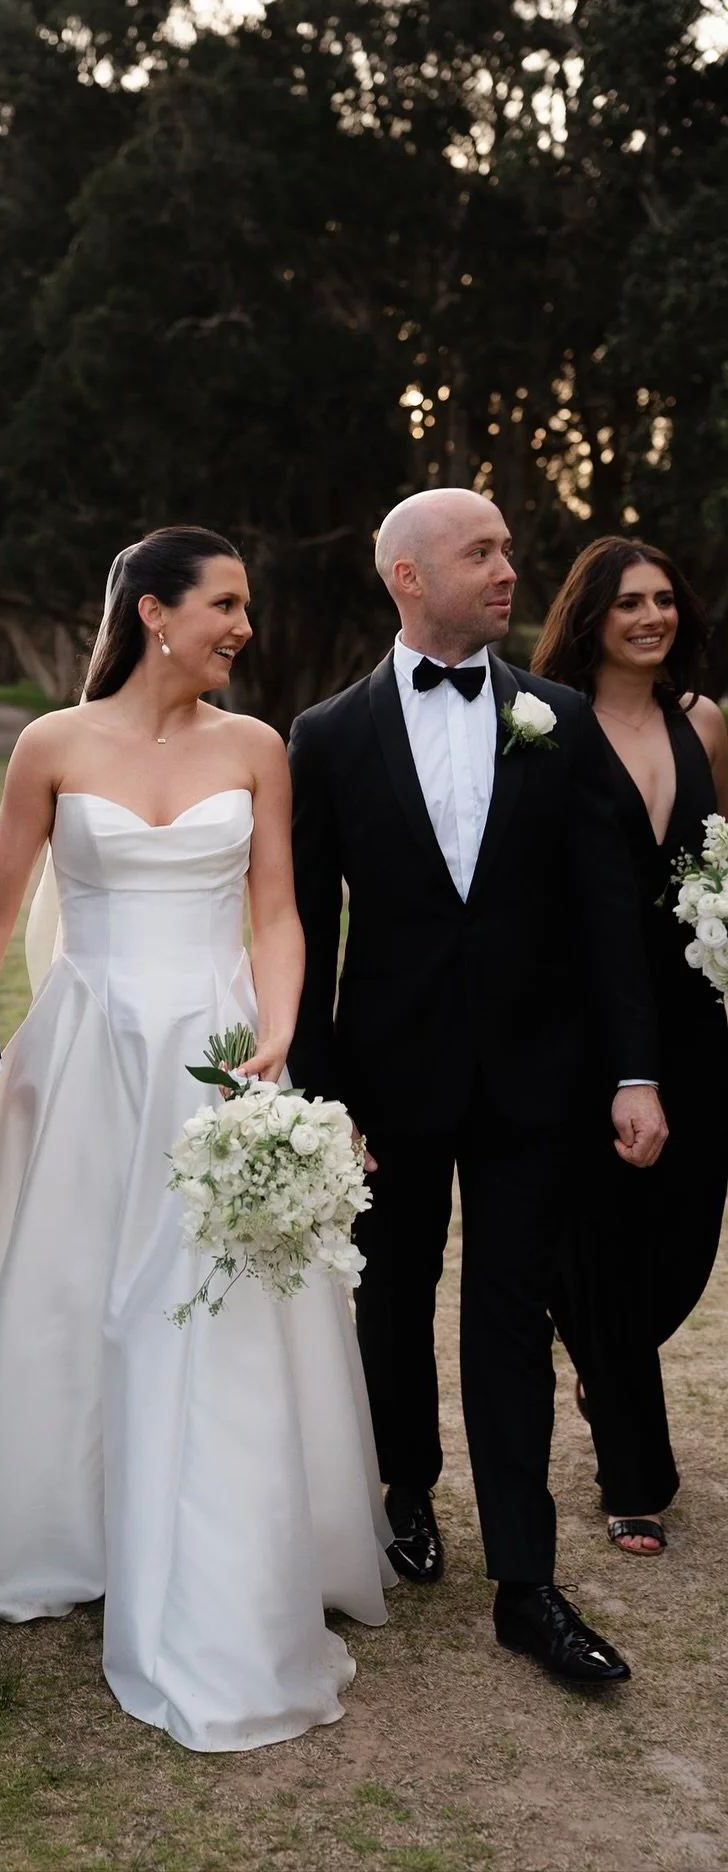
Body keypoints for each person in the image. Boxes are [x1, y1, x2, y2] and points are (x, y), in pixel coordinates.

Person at [0, 527, 392, 1754]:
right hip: (86, 1045)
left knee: (212, 1296)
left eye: (245, 607)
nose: (244, 627)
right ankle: (48, 1528)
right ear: (154, 612)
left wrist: (276, 1038)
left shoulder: (258, 747)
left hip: (217, 1052)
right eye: (226, 605)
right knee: (64, 1285)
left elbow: (279, 911)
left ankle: (236, 1530)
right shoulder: (52, 744)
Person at [289, 487, 668, 1686]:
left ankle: (528, 1584)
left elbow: (607, 913)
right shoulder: (327, 736)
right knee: (390, 1305)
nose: (511, 570)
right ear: (407, 574)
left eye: (508, 549)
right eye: (482, 552)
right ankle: (405, 1492)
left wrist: (633, 1070)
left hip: (534, 1084)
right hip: (384, 1086)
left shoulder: (556, 717)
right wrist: (320, 1093)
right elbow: (302, 924)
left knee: (505, 1318)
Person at [533, 536, 728, 1557]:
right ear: (592, 618)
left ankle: (606, 1354)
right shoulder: (545, 727)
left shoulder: (704, 721)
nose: (650, 618)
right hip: (582, 1019)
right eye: (628, 605)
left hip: (695, 1017)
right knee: (597, 1234)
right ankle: (635, 1477)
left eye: (663, 601)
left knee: (687, 1224)